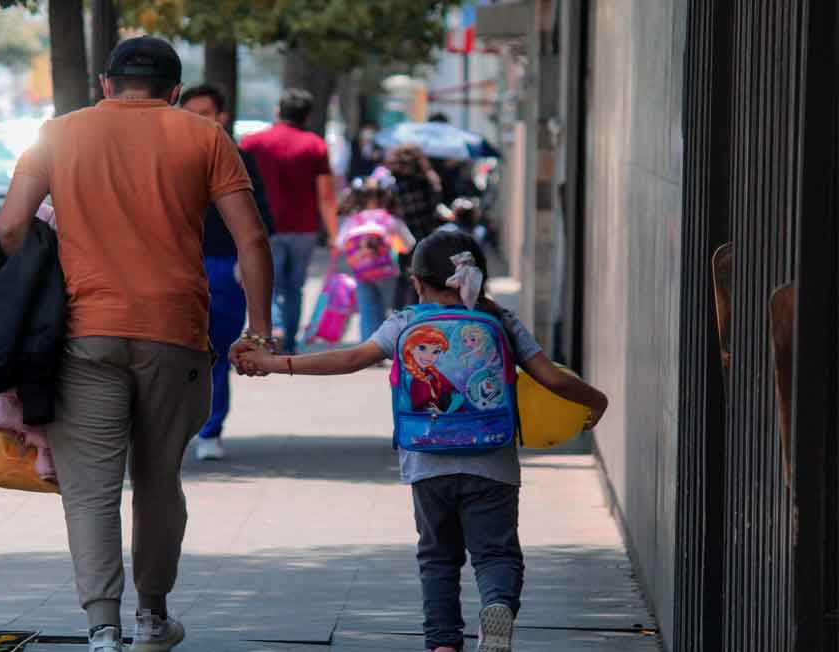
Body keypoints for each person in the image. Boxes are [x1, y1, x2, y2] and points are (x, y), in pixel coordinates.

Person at [0, 36, 275, 652]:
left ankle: (101, 628)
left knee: (91, 490)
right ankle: (153, 617)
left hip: (82, 332)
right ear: (175, 90)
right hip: (174, 332)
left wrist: (45, 283)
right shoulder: (205, 137)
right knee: (157, 479)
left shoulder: (57, 133)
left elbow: (11, 225)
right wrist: (259, 329)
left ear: (105, 85)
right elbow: (251, 240)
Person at [237, 230, 609, 652]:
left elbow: (348, 359)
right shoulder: (502, 322)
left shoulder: (406, 323)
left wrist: (273, 363)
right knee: (497, 554)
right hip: (493, 461)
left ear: (416, 282)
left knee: (437, 558)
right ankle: (498, 605)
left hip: (428, 460)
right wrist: (597, 401)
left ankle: (444, 643)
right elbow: (553, 377)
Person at [179, 83, 276, 461]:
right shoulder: (167, 158)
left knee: (216, 351)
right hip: (175, 265)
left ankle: (210, 429)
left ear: (222, 117)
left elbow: (261, 221)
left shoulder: (239, 157)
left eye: (203, 114)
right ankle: (174, 426)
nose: (196, 122)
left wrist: (244, 265)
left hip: (222, 266)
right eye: (189, 114)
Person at [241, 88, 340, 354]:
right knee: (294, 287)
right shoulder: (315, 145)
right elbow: (326, 195)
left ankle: (274, 331)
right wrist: (333, 233)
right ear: (307, 116)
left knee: (265, 283)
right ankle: (290, 341)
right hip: (303, 228)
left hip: (262, 225)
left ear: (277, 111)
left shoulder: (252, 143)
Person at [336, 178, 415, 342]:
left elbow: (340, 243)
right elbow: (408, 244)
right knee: (390, 310)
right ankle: (389, 346)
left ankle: (368, 348)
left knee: (367, 309)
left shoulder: (353, 220)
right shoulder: (389, 219)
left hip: (361, 271)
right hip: (387, 271)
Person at [383, 145, 442, 308]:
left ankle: (401, 317)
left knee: (403, 280)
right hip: (427, 237)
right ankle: (419, 316)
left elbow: (388, 211)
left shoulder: (393, 186)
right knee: (423, 282)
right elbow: (435, 205)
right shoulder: (428, 181)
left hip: (404, 240)